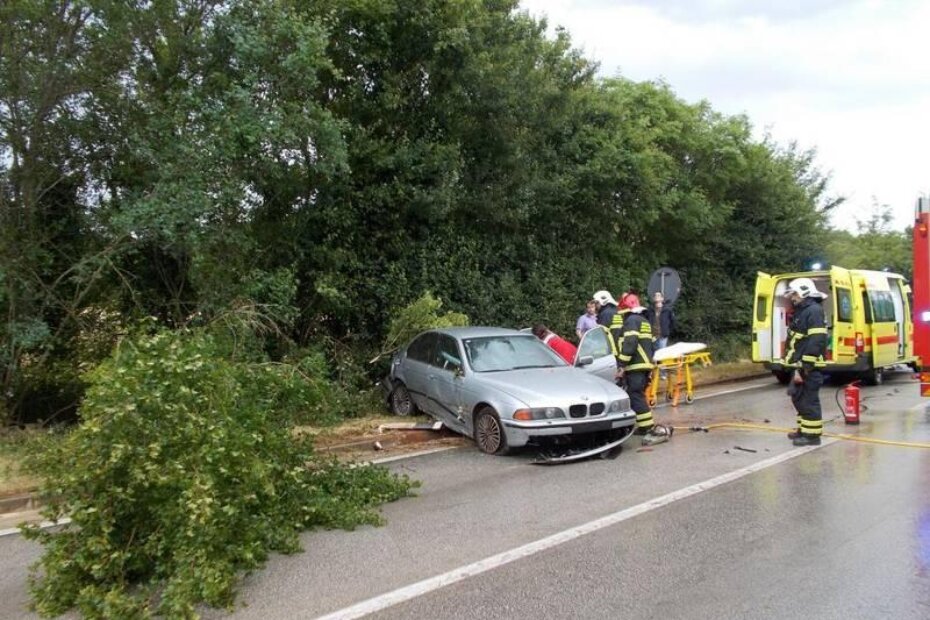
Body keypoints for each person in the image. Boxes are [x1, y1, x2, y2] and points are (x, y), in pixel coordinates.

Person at [612, 304, 670, 443]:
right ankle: (644, 426)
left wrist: (621, 364)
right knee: (637, 395)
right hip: (644, 364)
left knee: (635, 395)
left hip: (636, 365)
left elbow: (630, 344)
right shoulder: (643, 321)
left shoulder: (632, 320)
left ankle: (648, 427)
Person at [783, 277, 828, 446]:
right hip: (800, 364)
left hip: (808, 366)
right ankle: (804, 430)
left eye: (794, 294)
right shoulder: (804, 310)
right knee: (799, 398)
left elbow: (816, 340)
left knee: (809, 401)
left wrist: (805, 367)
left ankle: (812, 436)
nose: (792, 298)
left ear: (803, 292)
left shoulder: (813, 311)